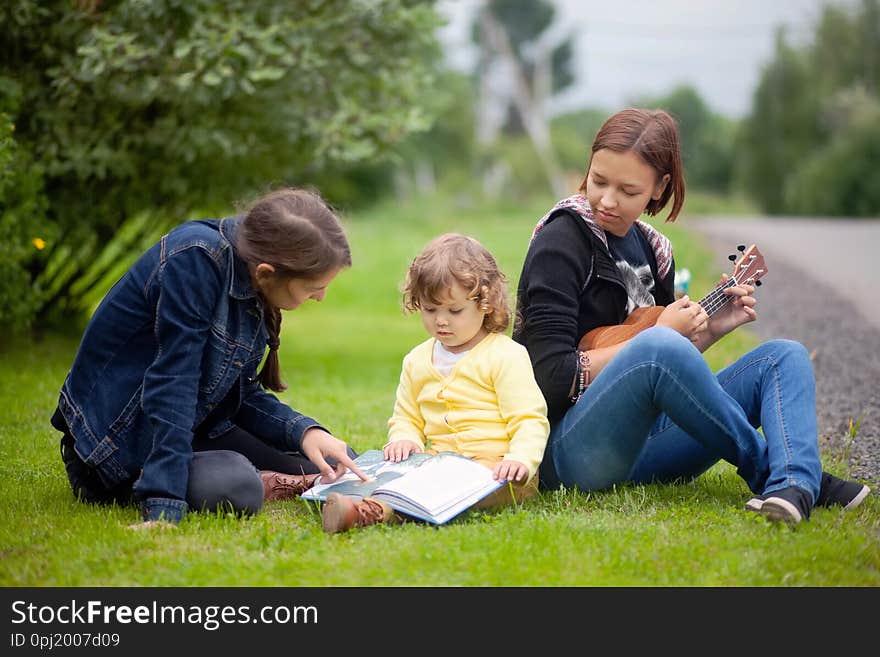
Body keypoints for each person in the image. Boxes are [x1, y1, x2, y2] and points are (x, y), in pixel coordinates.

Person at [513, 108, 870, 525]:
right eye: (598, 180)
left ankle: (794, 486)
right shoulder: (561, 242)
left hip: (648, 446)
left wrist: (712, 329)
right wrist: (656, 340)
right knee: (657, 345)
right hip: (569, 454)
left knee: (783, 356)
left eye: (628, 190)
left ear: (659, 187)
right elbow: (550, 378)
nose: (607, 200)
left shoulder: (654, 250)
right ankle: (775, 473)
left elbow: (661, 370)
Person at [51, 187, 368, 527]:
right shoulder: (195, 260)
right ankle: (253, 479)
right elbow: (173, 384)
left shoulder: (250, 268)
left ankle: (282, 479)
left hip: (199, 427)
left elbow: (237, 394)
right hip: (117, 454)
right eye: (313, 288)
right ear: (266, 272)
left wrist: (305, 433)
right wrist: (164, 505)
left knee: (340, 462)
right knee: (238, 485)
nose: (320, 297)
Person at [321, 233, 550, 533]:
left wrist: (520, 459)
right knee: (405, 477)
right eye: (430, 309)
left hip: (499, 471)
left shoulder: (505, 355)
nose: (441, 321)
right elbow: (406, 416)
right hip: (439, 463)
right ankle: (362, 499)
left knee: (452, 488)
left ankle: (376, 511)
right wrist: (406, 438)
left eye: (454, 311)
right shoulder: (417, 360)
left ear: (486, 303)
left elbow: (529, 418)